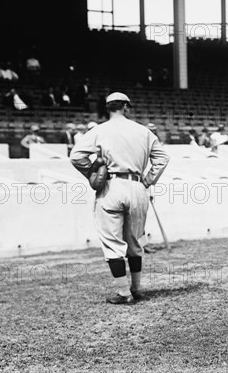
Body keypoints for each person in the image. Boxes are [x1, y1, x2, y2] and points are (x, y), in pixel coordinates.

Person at [70, 92, 170, 304]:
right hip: (136, 186)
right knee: (134, 242)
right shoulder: (143, 131)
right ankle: (136, 288)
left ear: (108, 108)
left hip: (111, 185)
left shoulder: (99, 130)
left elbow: (76, 156)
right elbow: (162, 158)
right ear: (126, 107)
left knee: (112, 242)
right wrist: (148, 180)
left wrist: (92, 173)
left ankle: (124, 293)